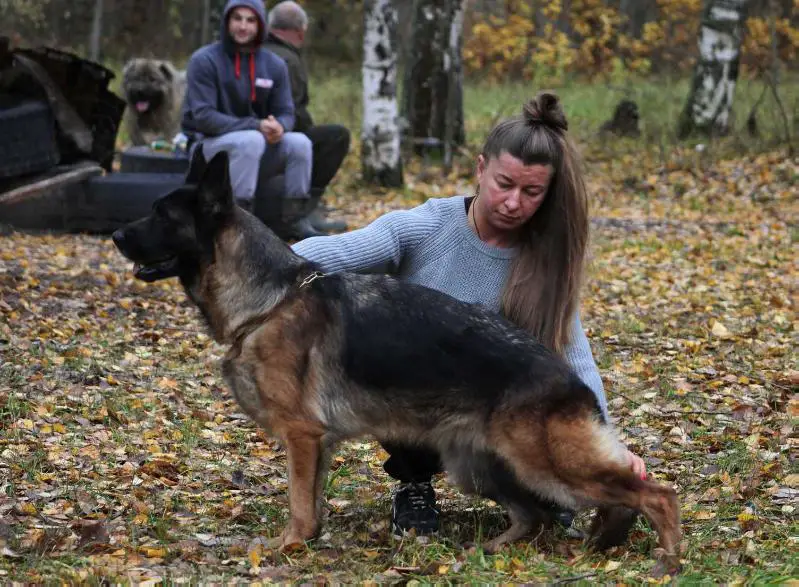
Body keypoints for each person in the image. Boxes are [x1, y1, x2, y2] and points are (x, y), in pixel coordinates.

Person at [292, 92, 647, 536]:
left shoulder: (544, 261)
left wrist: (608, 448)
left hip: (492, 412)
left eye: (531, 191)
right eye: (504, 183)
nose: (513, 202)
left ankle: (526, 495)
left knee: (555, 485)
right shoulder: (427, 226)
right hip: (412, 400)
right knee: (394, 360)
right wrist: (263, 261)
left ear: (548, 191)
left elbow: (575, 360)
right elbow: (338, 251)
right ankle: (413, 484)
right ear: (480, 169)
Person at [180, 0, 313, 222]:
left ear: (261, 25)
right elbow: (204, 118)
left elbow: (287, 112)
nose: (243, 26)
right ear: (226, 22)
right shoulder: (204, 60)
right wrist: (257, 125)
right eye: (237, 18)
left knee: (300, 143)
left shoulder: (275, 64)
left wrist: (280, 126)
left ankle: (294, 221)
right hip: (208, 150)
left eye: (251, 20)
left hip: (256, 148)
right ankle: (238, 221)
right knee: (251, 140)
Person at [265, 1, 350, 234]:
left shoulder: (262, 51)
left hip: (260, 131)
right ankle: (306, 209)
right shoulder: (287, 60)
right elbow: (290, 109)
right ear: (301, 31)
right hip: (279, 135)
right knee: (336, 137)